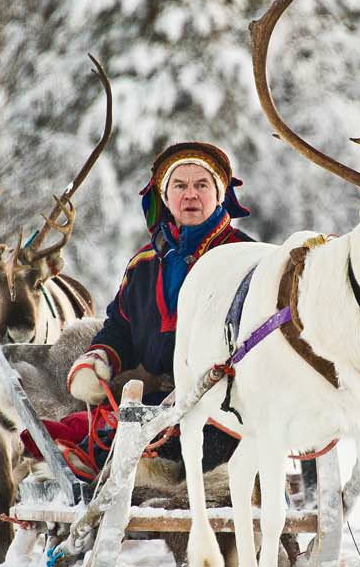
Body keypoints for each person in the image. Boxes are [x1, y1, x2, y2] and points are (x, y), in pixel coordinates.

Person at [23, 141, 255, 478]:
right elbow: (120, 326)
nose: (190, 194)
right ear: (165, 197)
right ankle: (104, 459)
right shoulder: (144, 264)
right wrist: (100, 358)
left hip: (224, 405)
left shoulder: (245, 257)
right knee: (101, 437)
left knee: (153, 457)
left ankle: (128, 466)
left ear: (220, 195)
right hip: (152, 400)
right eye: (180, 185)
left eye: (201, 185)